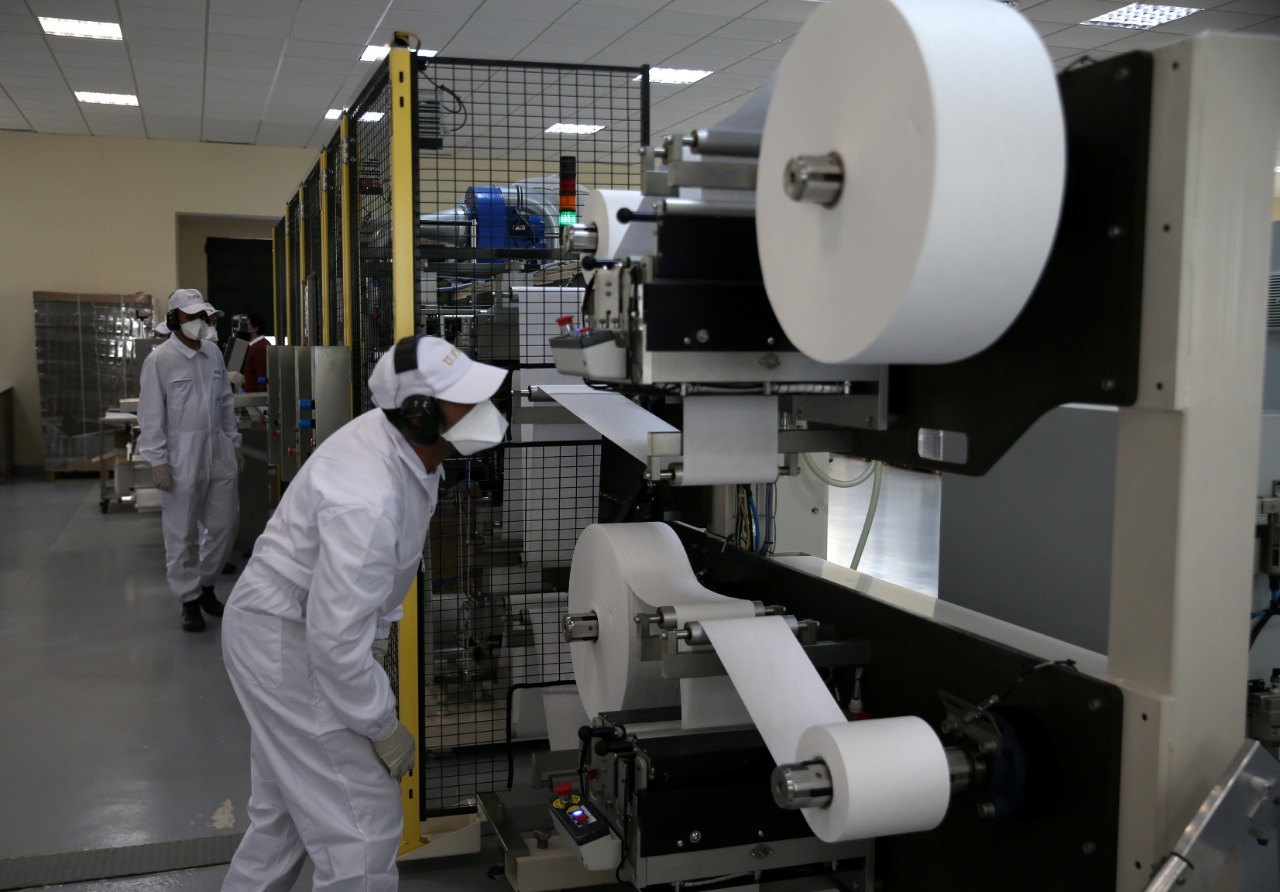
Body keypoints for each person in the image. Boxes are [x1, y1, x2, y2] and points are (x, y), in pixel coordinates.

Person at [220, 335, 509, 892]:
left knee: (285, 816)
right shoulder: (368, 499)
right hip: (289, 643)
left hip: (286, 628)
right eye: (466, 400)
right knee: (362, 828)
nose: (484, 408)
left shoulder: (404, 449)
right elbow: (333, 643)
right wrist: (382, 726)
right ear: (420, 415)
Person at [137, 289, 244, 632]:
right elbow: (150, 416)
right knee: (182, 532)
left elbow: (225, 403)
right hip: (182, 456)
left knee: (225, 525)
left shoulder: (212, 354)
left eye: (202, 316)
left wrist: (234, 443)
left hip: (218, 451)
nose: (199, 322)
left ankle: (207, 584)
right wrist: (158, 462)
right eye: (191, 316)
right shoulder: (160, 360)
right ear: (174, 319)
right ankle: (189, 599)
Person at [241, 314, 269, 393]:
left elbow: (262, 374)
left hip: (255, 396)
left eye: (249, 324)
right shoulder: (256, 346)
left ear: (255, 328)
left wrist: (262, 397)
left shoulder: (259, 348)